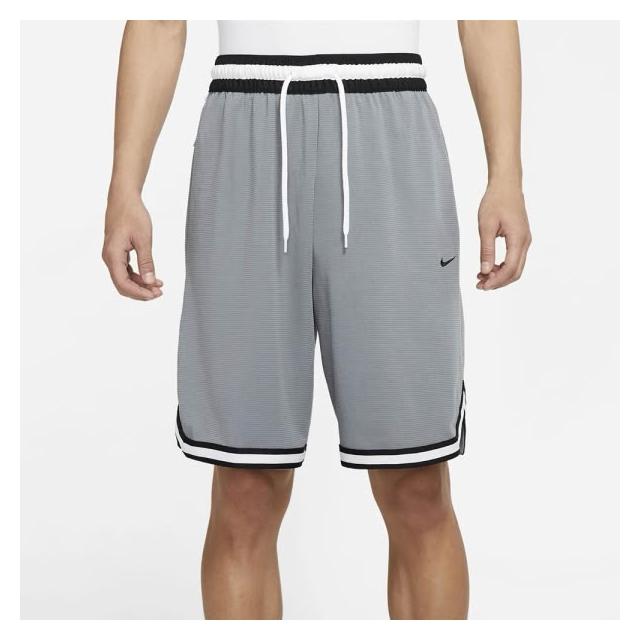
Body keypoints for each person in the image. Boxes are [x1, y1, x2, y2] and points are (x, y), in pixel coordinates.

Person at [102, 20, 531, 620]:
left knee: (416, 482)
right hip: (245, 130)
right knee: (245, 487)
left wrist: (506, 175)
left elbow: (484, 16)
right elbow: (159, 19)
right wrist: (125, 185)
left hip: (388, 130)